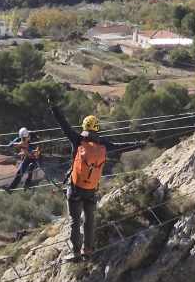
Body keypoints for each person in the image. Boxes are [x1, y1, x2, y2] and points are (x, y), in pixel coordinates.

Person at [48, 98, 138, 260]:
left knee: (75, 220)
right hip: (91, 189)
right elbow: (123, 146)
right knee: (89, 219)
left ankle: (76, 253)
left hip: (75, 187)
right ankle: (88, 250)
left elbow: (64, 125)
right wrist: (142, 143)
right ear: (97, 128)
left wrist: (54, 107)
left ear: (84, 126)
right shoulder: (103, 144)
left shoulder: (77, 139)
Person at [0, 126, 41, 191]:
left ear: (28, 135)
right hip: (27, 158)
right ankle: (11, 188)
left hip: (35, 159)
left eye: (25, 138)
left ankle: (27, 184)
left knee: (31, 167)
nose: (24, 140)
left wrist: (24, 146)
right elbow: (10, 144)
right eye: (23, 138)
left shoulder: (33, 140)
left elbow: (32, 151)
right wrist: (18, 143)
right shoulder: (20, 139)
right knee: (20, 172)